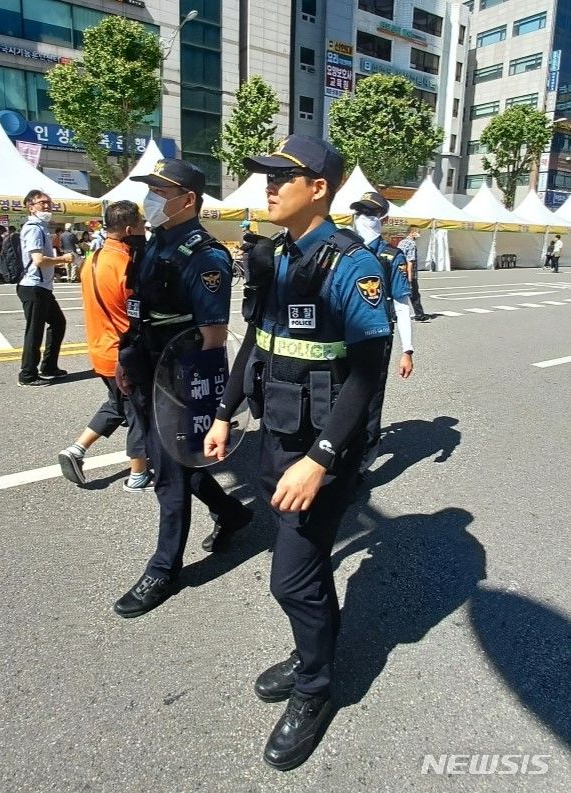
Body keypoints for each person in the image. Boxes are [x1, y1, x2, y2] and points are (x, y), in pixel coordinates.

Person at [204, 135, 392, 770]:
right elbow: (256, 343)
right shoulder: (276, 257)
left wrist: (322, 458)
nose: (269, 186)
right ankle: (312, 652)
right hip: (277, 433)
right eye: (266, 177)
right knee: (305, 573)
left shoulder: (352, 266)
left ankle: (316, 688)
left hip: (322, 450)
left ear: (320, 188)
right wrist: (225, 412)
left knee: (291, 577)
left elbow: (369, 373)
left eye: (283, 177)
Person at [112, 158, 253, 618]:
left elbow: (213, 338)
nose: (150, 198)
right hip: (146, 367)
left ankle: (164, 569)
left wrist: (205, 404)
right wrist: (126, 360)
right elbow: (140, 312)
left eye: (160, 191)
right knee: (168, 462)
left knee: (168, 480)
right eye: (149, 189)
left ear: (187, 200)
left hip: (178, 381)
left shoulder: (205, 255)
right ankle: (232, 513)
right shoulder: (155, 244)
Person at [59, 201, 152, 491]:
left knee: (117, 403)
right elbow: (135, 309)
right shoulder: (126, 265)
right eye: (140, 225)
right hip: (121, 351)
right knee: (138, 411)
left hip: (99, 348)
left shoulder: (94, 258)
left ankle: (77, 449)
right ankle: (138, 475)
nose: (143, 230)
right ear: (128, 229)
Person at [350, 191, 414, 475]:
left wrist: (407, 350)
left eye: (371, 214)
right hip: (344, 335)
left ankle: (362, 463)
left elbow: (402, 304)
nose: (364, 219)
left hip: (377, 337)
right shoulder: (345, 250)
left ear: (383, 219)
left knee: (370, 398)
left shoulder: (391, 256)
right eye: (360, 212)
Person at [16, 190, 73, 387]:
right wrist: (63, 260)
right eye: (42, 203)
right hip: (33, 287)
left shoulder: (41, 227)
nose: (47, 206)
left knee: (58, 323)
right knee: (35, 331)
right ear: (31, 207)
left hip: (42, 287)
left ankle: (48, 367)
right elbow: (38, 260)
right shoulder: (33, 228)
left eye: (49, 202)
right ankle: (27, 374)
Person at [397, 226, 428, 321]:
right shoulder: (411, 244)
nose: (419, 235)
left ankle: (394, 314)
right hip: (410, 273)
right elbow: (410, 261)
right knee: (415, 295)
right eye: (418, 232)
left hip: (400, 271)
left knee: (398, 294)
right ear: (412, 233)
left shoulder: (402, 242)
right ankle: (419, 314)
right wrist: (410, 277)